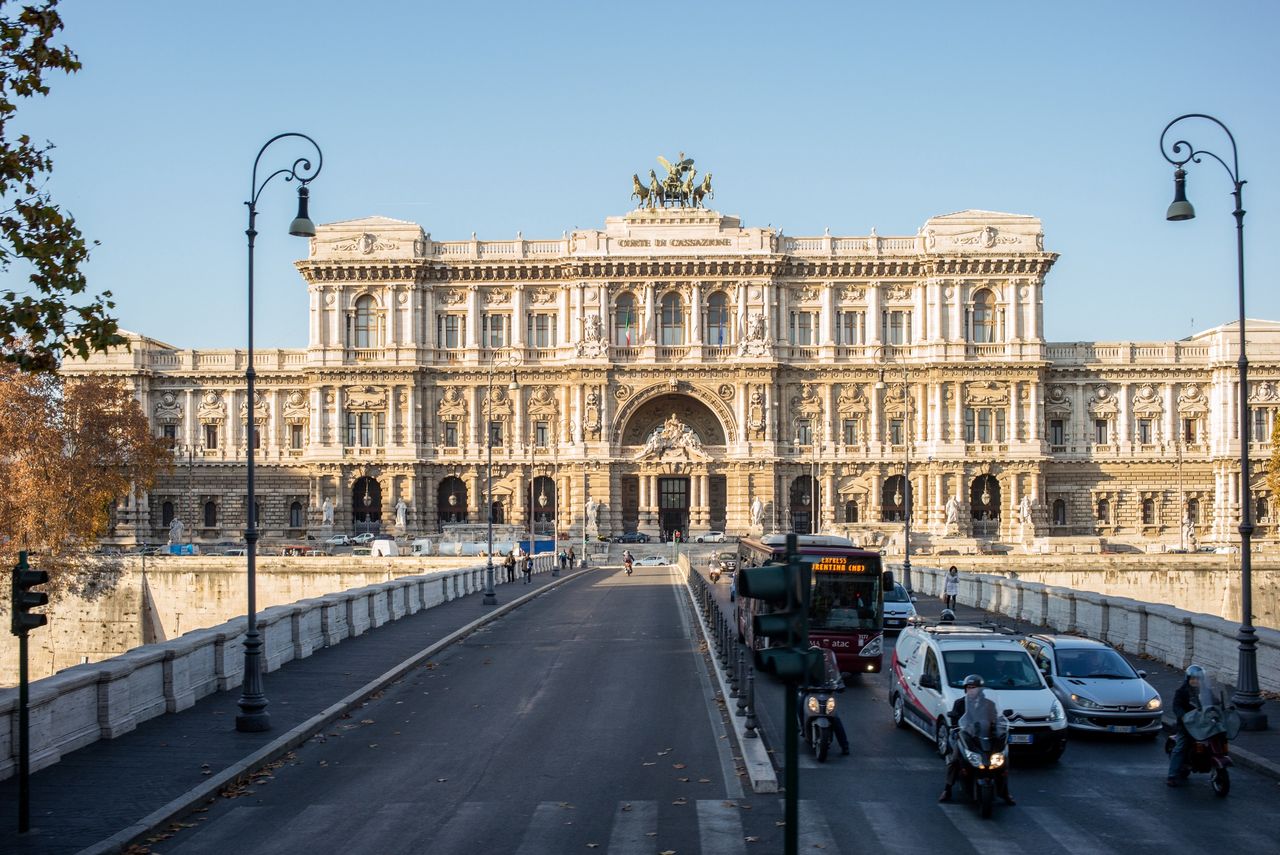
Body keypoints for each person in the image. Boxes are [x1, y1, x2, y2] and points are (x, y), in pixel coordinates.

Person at [940, 675, 1015, 805]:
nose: (971, 690)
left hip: (986, 738)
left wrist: (999, 727)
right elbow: (955, 722)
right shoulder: (959, 703)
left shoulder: (989, 704)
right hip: (967, 738)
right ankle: (947, 789)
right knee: (954, 760)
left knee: (1003, 762)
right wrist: (960, 728)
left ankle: (1005, 792)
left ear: (980, 689)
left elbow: (996, 720)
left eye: (973, 687)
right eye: (968, 687)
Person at [1167, 664, 1204, 786]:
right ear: (1188, 679)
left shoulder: (1205, 692)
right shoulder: (1181, 692)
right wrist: (1182, 715)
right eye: (1192, 679)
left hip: (1203, 724)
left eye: (1197, 679)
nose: (1195, 681)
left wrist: (1221, 706)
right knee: (1181, 746)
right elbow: (1176, 706)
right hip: (1187, 725)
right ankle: (1171, 776)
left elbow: (1213, 702)